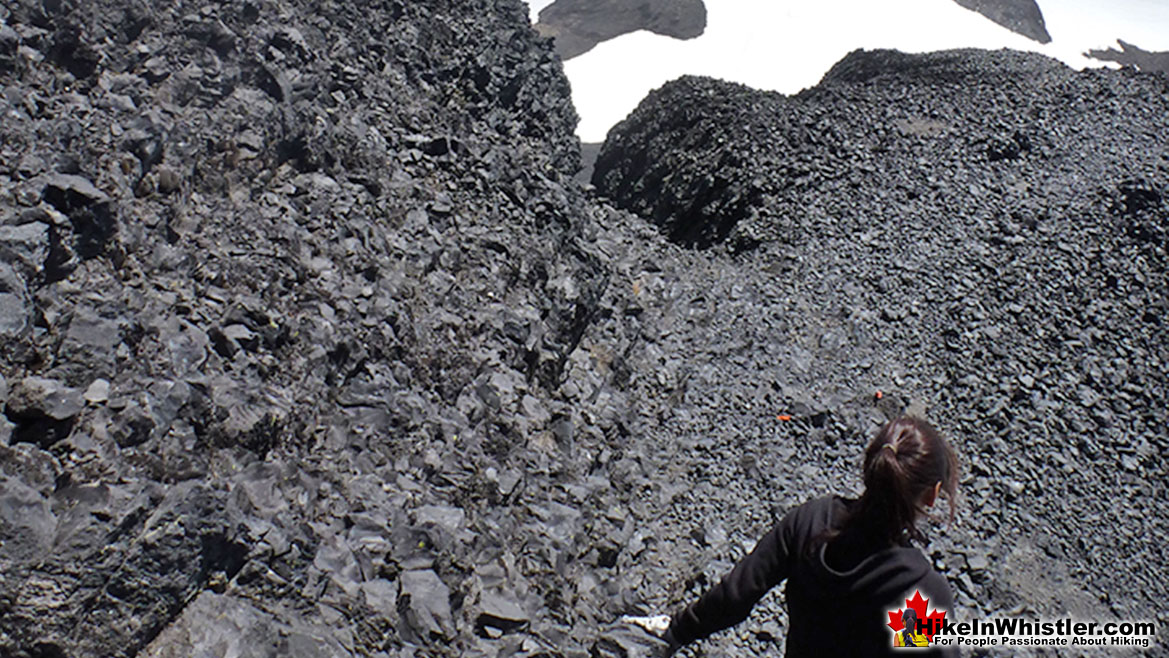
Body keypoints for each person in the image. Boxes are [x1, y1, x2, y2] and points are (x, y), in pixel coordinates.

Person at [660, 415, 960, 656]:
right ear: (932, 495)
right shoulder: (920, 590)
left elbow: (734, 596)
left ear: (871, 465)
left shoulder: (811, 519)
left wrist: (675, 632)